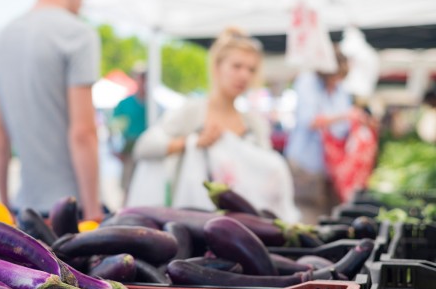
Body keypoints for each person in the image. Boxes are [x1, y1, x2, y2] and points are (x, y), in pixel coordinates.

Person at [0, 0, 103, 222]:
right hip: (72, 211)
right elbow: (83, 133)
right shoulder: (78, 34)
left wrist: (4, 205)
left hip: (24, 209)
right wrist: (93, 213)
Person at [133, 26, 272, 189]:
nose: (244, 75)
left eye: (251, 70)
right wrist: (190, 143)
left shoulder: (254, 125)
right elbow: (143, 147)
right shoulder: (192, 111)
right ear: (217, 66)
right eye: (237, 66)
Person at [284, 45, 365, 223]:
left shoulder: (340, 89)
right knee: (308, 214)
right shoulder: (307, 81)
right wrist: (345, 115)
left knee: (332, 214)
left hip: (332, 168)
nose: (336, 81)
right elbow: (310, 120)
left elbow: (342, 127)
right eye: (334, 77)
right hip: (306, 165)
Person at [110, 65, 148, 195]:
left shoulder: (153, 105)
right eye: (141, 78)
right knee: (128, 186)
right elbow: (113, 128)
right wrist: (114, 148)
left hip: (147, 151)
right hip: (129, 149)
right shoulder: (125, 104)